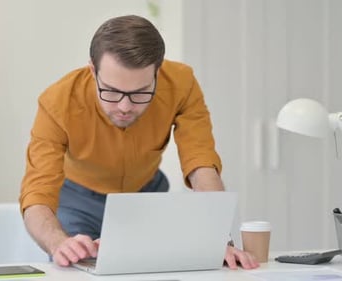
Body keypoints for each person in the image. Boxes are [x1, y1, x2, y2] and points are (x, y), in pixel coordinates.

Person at [20, 15, 258, 270]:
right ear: (92, 70)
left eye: (140, 92)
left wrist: (216, 238)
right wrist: (58, 242)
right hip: (77, 200)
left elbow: (201, 162)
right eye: (110, 91)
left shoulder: (181, 84)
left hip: (145, 196)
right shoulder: (56, 102)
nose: (124, 106)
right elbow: (38, 193)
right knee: (73, 267)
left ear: (158, 71)